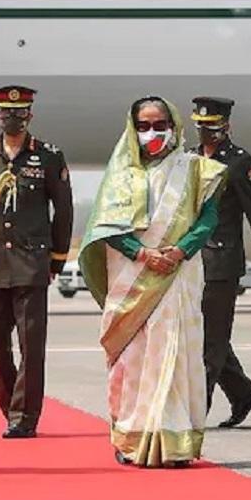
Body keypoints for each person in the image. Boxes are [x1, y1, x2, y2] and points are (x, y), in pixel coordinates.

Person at [78, 97, 225, 468]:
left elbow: (208, 218)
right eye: (143, 126)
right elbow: (108, 229)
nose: (152, 133)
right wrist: (143, 254)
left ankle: (175, 443)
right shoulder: (122, 174)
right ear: (132, 129)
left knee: (176, 356)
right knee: (133, 360)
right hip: (133, 278)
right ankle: (130, 438)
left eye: (160, 124)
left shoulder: (196, 169)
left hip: (178, 274)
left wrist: (180, 250)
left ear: (174, 127)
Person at [0, 85, 74, 440]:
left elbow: (63, 211)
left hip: (31, 263)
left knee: (31, 346)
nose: (12, 118)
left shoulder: (48, 157)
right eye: (6, 113)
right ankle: (10, 407)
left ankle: (24, 417)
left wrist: (57, 258)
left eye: (19, 113)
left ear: (29, 116)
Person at [188, 96, 251, 428]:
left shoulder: (239, 162)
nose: (206, 133)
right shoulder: (188, 159)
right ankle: (243, 394)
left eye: (213, 126)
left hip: (222, 263)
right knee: (204, 335)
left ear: (226, 126)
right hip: (190, 261)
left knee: (211, 341)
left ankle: (194, 412)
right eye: (201, 126)